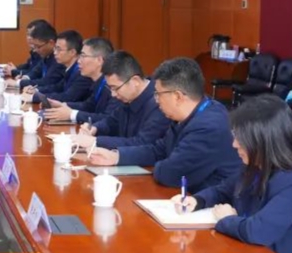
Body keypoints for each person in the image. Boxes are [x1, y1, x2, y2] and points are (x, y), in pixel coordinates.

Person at [172, 95, 292, 253]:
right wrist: (197, 200)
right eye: (235, 135)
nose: (234, 144)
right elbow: (224, 190)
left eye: (241, 138)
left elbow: (257, 231)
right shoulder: (255, 166)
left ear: (264, 141)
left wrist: (228, 219)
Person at [89, 57, 242, 192]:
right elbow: (159, 150)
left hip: (209, 204)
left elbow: (170, 174)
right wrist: (116, 156)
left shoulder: (209, 127)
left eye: (158, 94)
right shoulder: (191, 113)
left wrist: (161, 165)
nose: (156, 100)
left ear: (177, 97)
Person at [71, 51, 170, 150]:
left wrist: (95, 141)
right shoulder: (128, 97)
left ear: (135, 81)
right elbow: (111, 121)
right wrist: (94, 128)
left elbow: (142, 143)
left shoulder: (160, 103)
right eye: (110, 88)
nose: (113, 94)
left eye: (115, 88)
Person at [42, 38, 119, 124]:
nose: (78, 61)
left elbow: (108, 119)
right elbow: (89, 106)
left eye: (83, 56)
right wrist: (63, 105)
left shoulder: (113, 86)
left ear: (99, 60)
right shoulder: (98, 82)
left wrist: (72, 114)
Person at [24, 30, 92, 104]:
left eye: (59, 49)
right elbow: (58, 87)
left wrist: (35, 97)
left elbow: (67, 97)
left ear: (72, 52)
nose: (55, 53)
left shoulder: (82, 72)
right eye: (55, 48)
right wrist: (36, 90)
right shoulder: (70, 68)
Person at [7, 23, 61, 90]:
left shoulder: (59, 58)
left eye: (38, 47)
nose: (35, 50)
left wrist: (18, 83)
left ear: (51, 43)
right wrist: (25, 78)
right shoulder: (47, 55)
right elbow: (36, 71)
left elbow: (47, 81)